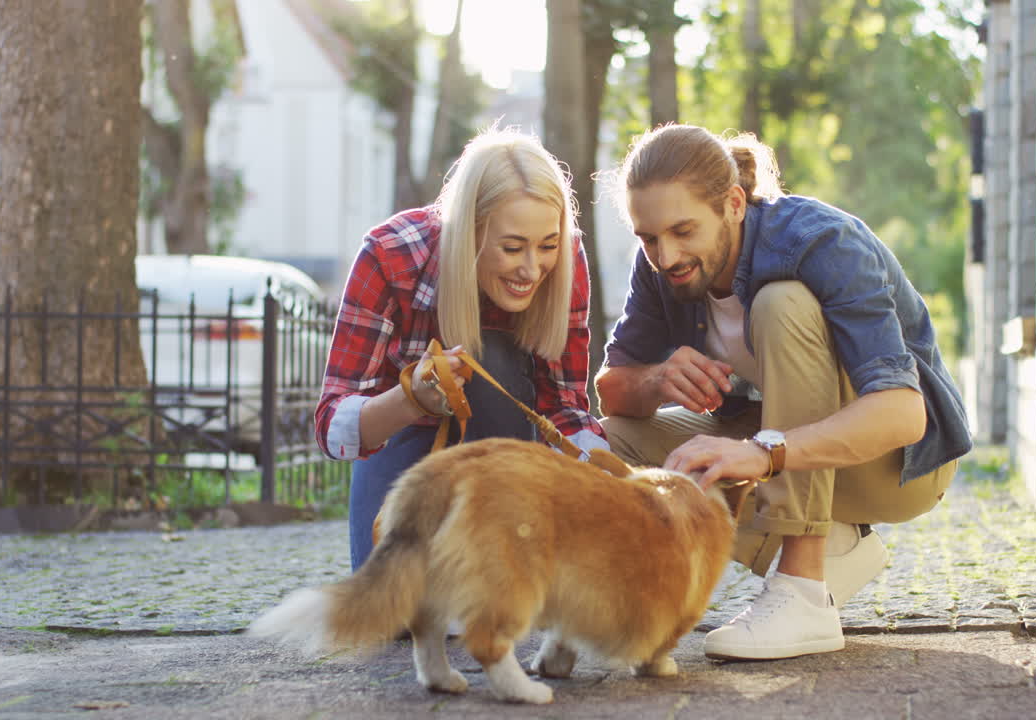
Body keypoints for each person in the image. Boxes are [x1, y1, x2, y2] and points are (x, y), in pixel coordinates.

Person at [595, 124, 972, 661]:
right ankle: (833, 548)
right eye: (648, 238)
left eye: (683, 231)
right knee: (606, 444)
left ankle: (800, 590)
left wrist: (761, 453)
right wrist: (654, 380)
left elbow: (902, 414)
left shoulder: (820, 241)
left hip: (896, 467)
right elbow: (611, 391)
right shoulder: (659, 266)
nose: (667, 254)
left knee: (781, 304)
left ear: (732, 204)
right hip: (791, 461)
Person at [314, 128, 608, 571]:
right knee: (389, 606)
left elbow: (563, 406)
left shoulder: (563, 260)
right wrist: (412, 396)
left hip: (507, 439)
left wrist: (603, 472)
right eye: (512, 247)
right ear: (469, 231)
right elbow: (331, 422)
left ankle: (497, 561)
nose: (532, 269)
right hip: (406, 432)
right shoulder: (390, 256)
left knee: (494, 359)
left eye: (546, 245)